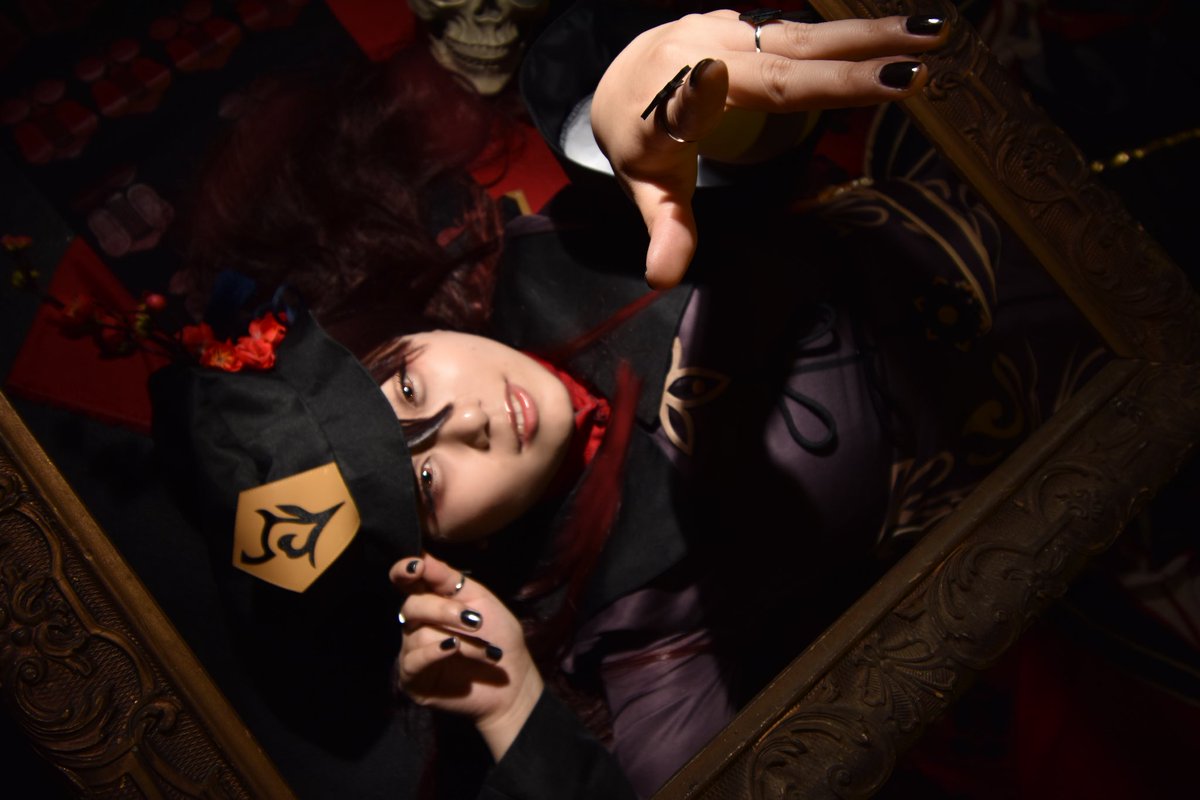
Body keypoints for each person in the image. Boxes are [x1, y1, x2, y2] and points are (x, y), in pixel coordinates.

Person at [156, 4, 1107, 797]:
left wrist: (686, 95)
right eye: (427, 482)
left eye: (407, 386)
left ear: (400, 337)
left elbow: (748, 146)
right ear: (447, 558)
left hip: (1054, 176)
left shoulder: (561, 248)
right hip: (1087, 422)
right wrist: (513, 709)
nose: (473, 421)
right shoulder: (636, 619)